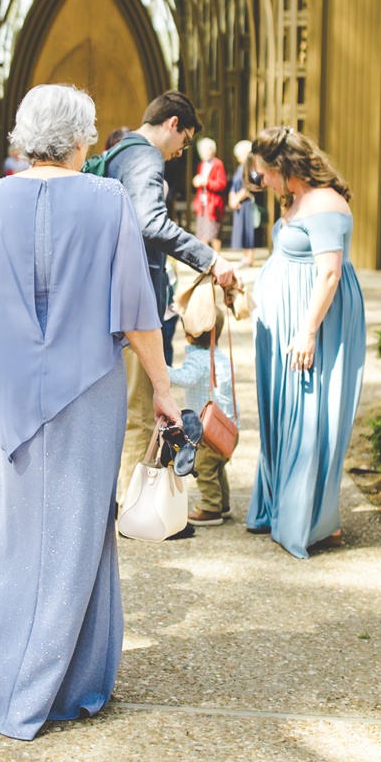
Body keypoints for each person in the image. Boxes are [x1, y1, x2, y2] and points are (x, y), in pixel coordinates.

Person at [0, 83, 176, 740]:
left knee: (13, 526)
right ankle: (71, 684)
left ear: (24, 137)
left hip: (12, 388)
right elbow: (136, 307)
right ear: (81, 138)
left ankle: (5, 676)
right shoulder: (107, 199)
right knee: (81, 524)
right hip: (88, 386)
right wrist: (162, 386)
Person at [104, 90, 238, 511]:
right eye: (185, 141)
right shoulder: (146, 156)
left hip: (111, 299)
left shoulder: (117, 153)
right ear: (172, 124)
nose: (181, 152)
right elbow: (150, 223)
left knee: (130, 408)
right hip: (134, 303)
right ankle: (135, 508)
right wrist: (210, 258)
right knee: (142, 411)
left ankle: (126, 503)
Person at [247, 126, 364, 559]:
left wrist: (307, 329)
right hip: (286, 323)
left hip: (315, 324)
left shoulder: (325, 203)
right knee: (282, 410)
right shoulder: (296, 198)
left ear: (285, 166)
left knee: (309, 411)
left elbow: (329, 274)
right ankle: (281, 503)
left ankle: (313, 519)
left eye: (264, 172)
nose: (261, 181)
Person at [168, 295, 235, 527]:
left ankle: (210, 507)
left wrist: (161, 370)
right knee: (218, 467)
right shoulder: (221, 356)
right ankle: (223, 504)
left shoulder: (197, 359)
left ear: (189, 333)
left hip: (207, 431)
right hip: (226, 428)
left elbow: (184, 378)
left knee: (204, 468)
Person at [191, 136, 228, 250]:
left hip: (213, 204)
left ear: (211, 151)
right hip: (202, 203)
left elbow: (221, 184)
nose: (202, 153)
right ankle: (204, 256)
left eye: (205, 150)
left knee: (214, 234)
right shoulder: (201, 164)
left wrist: (206, 182)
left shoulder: (217, 164)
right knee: (202, 233)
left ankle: (217, 256)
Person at [228, 138, 260, 266]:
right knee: (242, 228)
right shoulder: (239, 168)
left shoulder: (252, 168)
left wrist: (238, 197)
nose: (238, 158)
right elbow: (233, 185)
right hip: (239, 203)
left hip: (247, 202)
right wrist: (232, 197)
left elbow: (252, 184)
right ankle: (245, 256)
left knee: (248, 228)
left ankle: (250, 257)